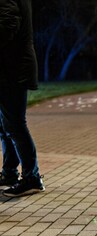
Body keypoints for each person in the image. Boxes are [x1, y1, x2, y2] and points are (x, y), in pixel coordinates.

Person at [0, 0, 44, 197]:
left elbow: (8, 25)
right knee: (5, 126)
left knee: (15, 125)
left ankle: (32, 178)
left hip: (13, 70)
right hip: (10, 68)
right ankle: (10, 172)